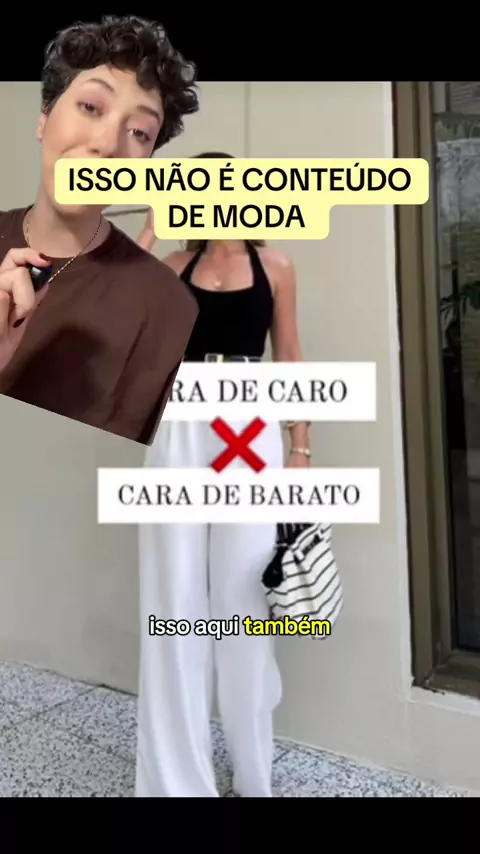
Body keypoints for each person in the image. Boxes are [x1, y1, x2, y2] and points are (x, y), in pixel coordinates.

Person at [134, 152, 311, 797]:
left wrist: (300, 445)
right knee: (173, 597)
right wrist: (151, 228)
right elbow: (113, 302)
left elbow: (289, 354)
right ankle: (177, 783)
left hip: (250, 426)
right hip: (180, 423)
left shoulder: (276, 267)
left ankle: (254, 775)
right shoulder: (172, 266)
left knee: (243, 600)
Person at [0, 15, 199, 444]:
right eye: (90, 107)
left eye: (140, 132)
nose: (108, 146)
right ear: (43, 119)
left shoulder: (167, 306)